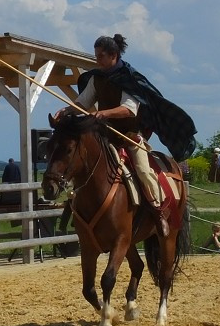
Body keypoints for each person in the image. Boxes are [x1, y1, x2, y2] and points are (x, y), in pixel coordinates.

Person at [56, 33, 197, 237]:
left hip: (129, 136)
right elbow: (83, 102)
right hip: (104, 136)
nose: (97, 60)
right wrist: (68, 110)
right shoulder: (97, 78)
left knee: (142, 169)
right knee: (80, 163)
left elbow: (129, 109)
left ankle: (157, 212)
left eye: (101, 56)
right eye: (96, 56)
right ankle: (73, 208)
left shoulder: (128, 79)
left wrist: (103, 113)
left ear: (113, 55)